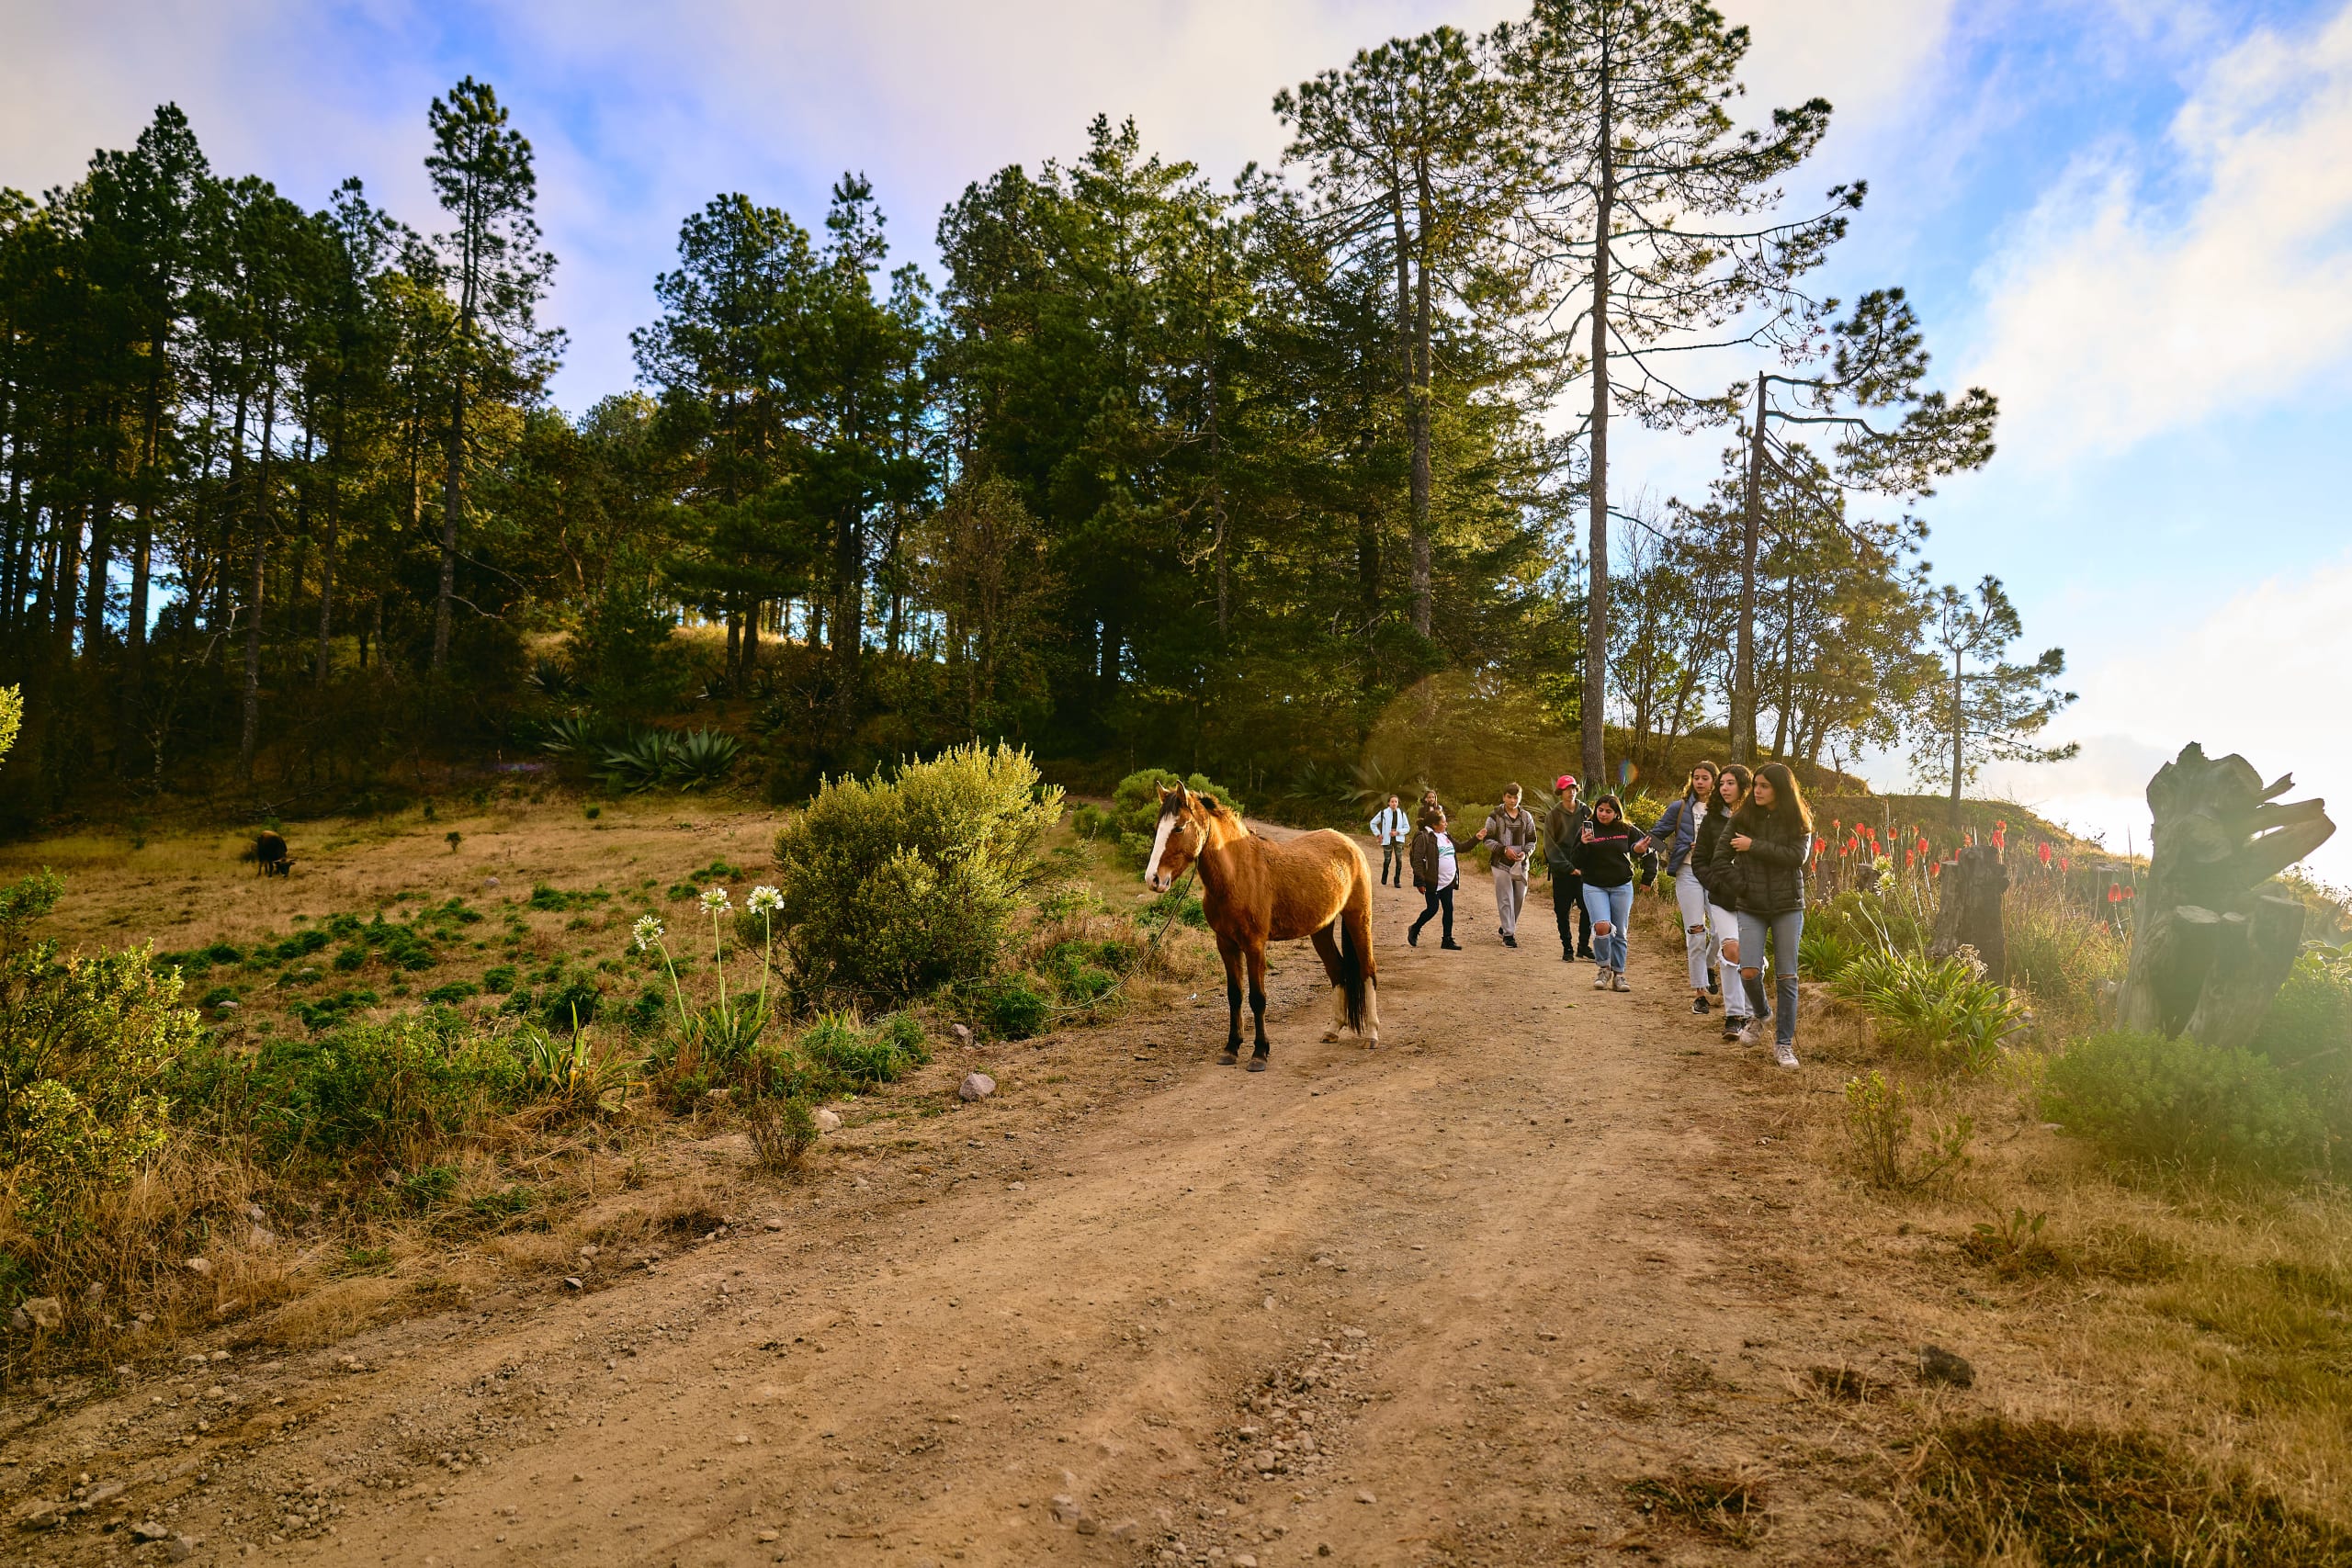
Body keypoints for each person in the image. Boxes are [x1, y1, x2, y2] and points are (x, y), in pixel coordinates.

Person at [1725, 761, 1813, 1068]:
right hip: (1751, 905)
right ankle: (1761, 1015)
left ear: (1781, 789)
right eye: (1756, 785)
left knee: (1787, 976)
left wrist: (1753, 846)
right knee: (1748, 970)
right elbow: (1720, 859)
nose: (1757, 791)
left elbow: (1796, 858)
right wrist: (1743, 886)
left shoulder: (1798, 820)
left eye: (1765, 786)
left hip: (1788, 905)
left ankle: (1784, 1045)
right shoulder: (1743, 817)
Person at [1647, 761, 1721, 1016]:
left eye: (1705, 778)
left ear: (1715, 781)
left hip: (1716, 874)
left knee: (1722, 930)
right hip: (1688, 873)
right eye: (1696, 777)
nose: (1700, 782)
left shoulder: (1725, 809)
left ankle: (1709, 965)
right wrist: (1672, 853)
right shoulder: (1679, 808)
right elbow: (1655, 836)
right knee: (1696, 932)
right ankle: (1699, 993)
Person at [1694, 763, 1755, 1043]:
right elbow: (1699, 861)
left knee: (1751, 957)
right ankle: (1734, 1016)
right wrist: (1716, 883)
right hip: (1721, 898)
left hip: (1754, 899)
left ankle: (1754, 1011)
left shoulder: (1759, 818)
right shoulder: (1711, 820)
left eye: (1731, 783)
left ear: (1744, 786)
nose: (1725, 788)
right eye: (1722, 784)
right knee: (1731, 950)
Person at [1576, 794, 1642, 990]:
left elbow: (1649, 845)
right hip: (1594, 885)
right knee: (1602, 926)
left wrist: (1647, 870)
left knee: (1620, 931)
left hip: (1622, 885)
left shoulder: (1626, 830)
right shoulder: (1586, 829)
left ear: (1616, 813)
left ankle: (1619, 974)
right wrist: (1583, 844)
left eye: (1608, 811)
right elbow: (1576, 860)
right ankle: (1604, 968)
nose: (1603, 814)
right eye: (1600, 810)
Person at [1472, 784, 1540, 948]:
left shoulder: (1526, 817)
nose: (1512, 800)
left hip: (1521, 863)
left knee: (1519, 897)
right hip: (1500, 863)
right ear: (1504, 797)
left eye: (1516, 797)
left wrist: (1526, 853)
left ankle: (1507, 926)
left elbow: (1532, 839)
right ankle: (1509, 934)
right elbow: (1487, 840)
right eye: (1509, 797)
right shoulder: (1495, 815)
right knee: (1505, 898)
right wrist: (1503, 850)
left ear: (1520, 798)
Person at [1544, 775, 1593, 963]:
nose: (1571, 791)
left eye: (1573, 788)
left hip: (1584, 870)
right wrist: (1568, 867)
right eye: (1566, 788)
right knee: (1562, 911)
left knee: (1588, 908)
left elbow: (1592, 837)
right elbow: (1550, 846)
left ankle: (1583, 946)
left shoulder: (1586, 811)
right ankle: (1567, 947)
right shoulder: (1553, 815)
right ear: (1560, 792)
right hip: (1562, 872)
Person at [1407, 805, 1463, 950]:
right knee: (1432, 909)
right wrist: (1419, 880)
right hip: (1433, 880)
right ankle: (1415, 928)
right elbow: (1417, 860)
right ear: (1434, 824)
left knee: (1448, 908)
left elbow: (1461, 848)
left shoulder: (1445, 836)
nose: (1446, 824)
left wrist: (1478, 838)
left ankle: (1447, 940)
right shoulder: (1423, 836)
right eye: (1444, 822)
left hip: (1447, 880)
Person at [1368, 794, 1410, 888]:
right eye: (1392, 801)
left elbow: (1407, 828)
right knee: (1387, 860)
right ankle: (1384, 877)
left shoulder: (1402, 813)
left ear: (1398, 803)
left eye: (1396, 801)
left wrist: (1398, 832)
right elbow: (1373, 823)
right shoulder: (1383, 813)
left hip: (1398, 839)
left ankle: (1397, 881)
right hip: (1387, 840)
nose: (1394, 803)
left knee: (1399, 860)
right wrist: (1378, 834)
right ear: (1388, 803)